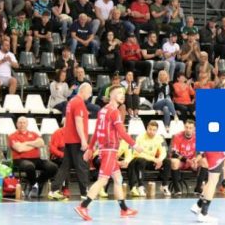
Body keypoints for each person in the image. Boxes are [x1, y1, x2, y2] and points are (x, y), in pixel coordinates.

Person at [74, 87, 143, 221]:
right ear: (111, 95)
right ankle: (83, 206)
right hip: (110, 150)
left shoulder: (103, 110)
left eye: (123, 93)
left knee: (118, 179)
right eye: (119, 93)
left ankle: (124, 209)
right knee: (103, 180)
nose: (122, 95)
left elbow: (96, 130)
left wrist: (90, 148)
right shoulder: (114, 112)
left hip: (105, 149)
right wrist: (134, 145)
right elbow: (122, 132)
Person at [48, 83, 93, 200]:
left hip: (69, 139)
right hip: (76, 140)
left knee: (65, 166)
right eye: (89, 92)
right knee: (82, 166)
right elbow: (78, 122)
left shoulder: (71, 102)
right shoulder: (79, 103)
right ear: (83, 91)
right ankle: (85, 193)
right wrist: (83, 140)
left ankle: (53, 190)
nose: (90, 95)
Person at [9, 116, 58, 198]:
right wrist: (34, 144)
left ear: (27, 124)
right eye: (20, 123)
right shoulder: (12, 136)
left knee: (53, 167)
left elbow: (41, 143)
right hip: (20, 159)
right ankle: (34, 184)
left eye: (24, 123)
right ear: (16, 124)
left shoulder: (34, 134)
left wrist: (26, 143)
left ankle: (37, 183)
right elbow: (20, 149)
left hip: (36, 159)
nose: (22, 124)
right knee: (29, 166)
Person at [128, 120, 172, 197]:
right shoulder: (140, 137)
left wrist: (160, 160)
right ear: (147, 128)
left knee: (167, 161)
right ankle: (140, 186)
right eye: (150, 129)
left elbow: (163, 152)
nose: (151, 131)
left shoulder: (159, 138)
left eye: (154, 130)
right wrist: (153, 159)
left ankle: (164, 186)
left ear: (156, 130)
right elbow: (138, 153)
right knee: (141, 160)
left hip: (152, 162)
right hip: (139, 161)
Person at [190, 151, 225, 223]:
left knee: (213, 180)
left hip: (215, 152)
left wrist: (198, 158)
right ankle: (203, 214)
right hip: (216, 153)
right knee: (213, 182)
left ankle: (198, 205)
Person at [169, 119, 199, 196]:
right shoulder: (177, 136)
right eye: (186, 127)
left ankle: (198, 189)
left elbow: (202, 153)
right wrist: (187, 160)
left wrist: (196, 160)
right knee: (174, 161)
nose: (188, 129)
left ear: (194, 129)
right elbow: (174, 154)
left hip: (193, 161)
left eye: (190, 128)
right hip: (181, 161)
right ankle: (177, 190)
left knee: (204, 161)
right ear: (184, 127)